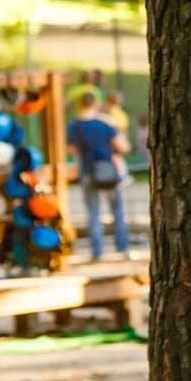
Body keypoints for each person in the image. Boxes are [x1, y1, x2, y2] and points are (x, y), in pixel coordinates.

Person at [67, 90, 131, 260]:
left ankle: (98, 252)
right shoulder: (105, 124)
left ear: (80, 104)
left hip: (88, 172)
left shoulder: (74, 126)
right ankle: (122, 248)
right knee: (117, 211)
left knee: (93, 213)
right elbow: (123, 147)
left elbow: (72, 149)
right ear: (96, 104)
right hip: (109, 171)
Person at [103, 91, 132, 189]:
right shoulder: (122, 114)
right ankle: (121, 176)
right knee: (116, 158)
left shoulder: (112, 114)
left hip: (115, 139)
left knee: (116, 158)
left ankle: (123, 177)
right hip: (119, 139)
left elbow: (115, 127)